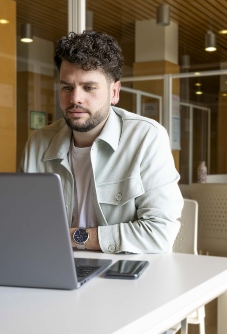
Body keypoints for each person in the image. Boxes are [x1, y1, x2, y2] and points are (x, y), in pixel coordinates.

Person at [19, 31, 183, 254]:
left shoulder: (146, 138)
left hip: (127, 273)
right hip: (51, 264)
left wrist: (75, 238)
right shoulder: (38, 144)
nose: (75, 98)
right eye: (67, 87)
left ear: (114, 92)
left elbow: (160, 233)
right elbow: (20, 223)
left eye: (88, 88)